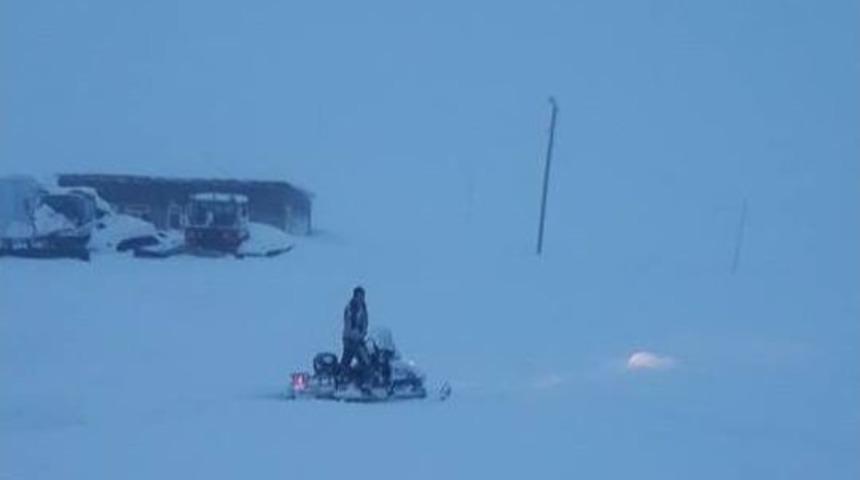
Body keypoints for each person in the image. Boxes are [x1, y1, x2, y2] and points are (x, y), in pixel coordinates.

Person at [340, 286, 370, 383]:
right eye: (359, 296)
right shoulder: (350, 308)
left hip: (359, 340)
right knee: (348, 361)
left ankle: (362, 381)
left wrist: (363, 333)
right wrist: (354, 336)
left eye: (362, 296)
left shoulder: (363, 308)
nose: (361, 298)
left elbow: (365, 323)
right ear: (355, 296)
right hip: (350, 340)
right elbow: (348, 325)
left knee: (366, 360)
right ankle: (344, 381)